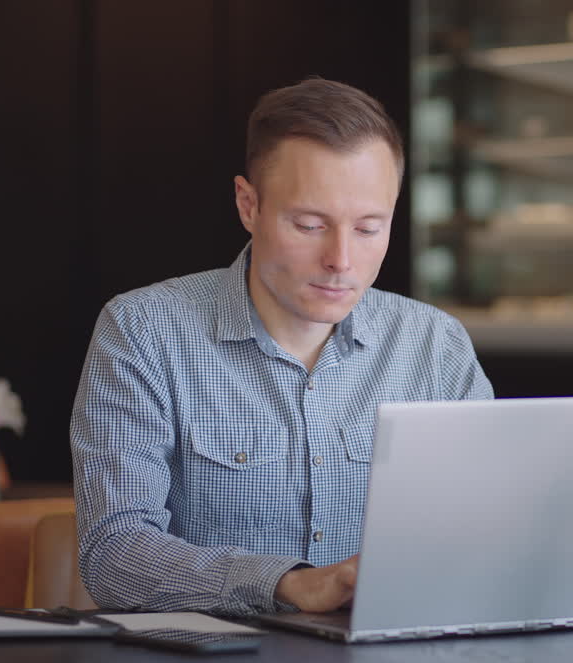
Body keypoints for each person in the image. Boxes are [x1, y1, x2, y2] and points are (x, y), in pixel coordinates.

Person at [70, 78, 493, 617]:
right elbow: (115, 554)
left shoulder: (436, 347)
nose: (341, 258)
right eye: (310, 225)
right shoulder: (144, 332)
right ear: (249, 206)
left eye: (368, 228)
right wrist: (288, 585)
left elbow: (486, 533)